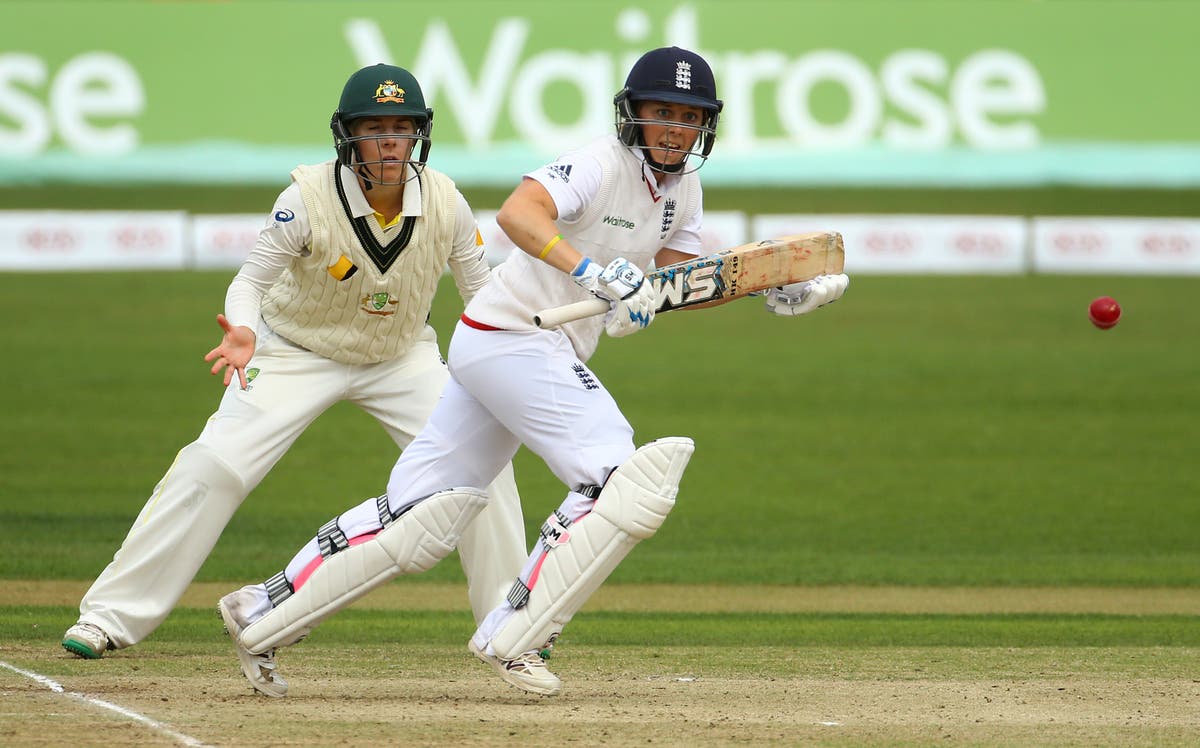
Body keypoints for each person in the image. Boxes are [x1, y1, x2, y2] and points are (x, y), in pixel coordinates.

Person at [217, 47, 849, 698]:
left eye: (689, 118)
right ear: (632, 114)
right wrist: (591, 272)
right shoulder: (599, 164)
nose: (674, 130)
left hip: (510, 347)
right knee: (620, 480)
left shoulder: (682, 190)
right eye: (662, 113)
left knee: (419, 517)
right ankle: (516, 632)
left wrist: (769, 291)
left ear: (706, 127)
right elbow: (519, 213)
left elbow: (669, 283)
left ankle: (258, 612)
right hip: (516, 336)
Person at [61, 64, 529, 690]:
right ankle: (109, 618)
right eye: (375, 128)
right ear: (348, 136)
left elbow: (483, 293)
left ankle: (511, 627)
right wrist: (244, 332)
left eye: (402, 129)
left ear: (419, 135)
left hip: (401, 357)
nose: (390, 143)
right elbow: (250, 281)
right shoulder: (305, 198)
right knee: (213, 465)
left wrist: (522, 335)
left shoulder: (445, 200)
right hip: (293, 351)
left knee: (485, 469)